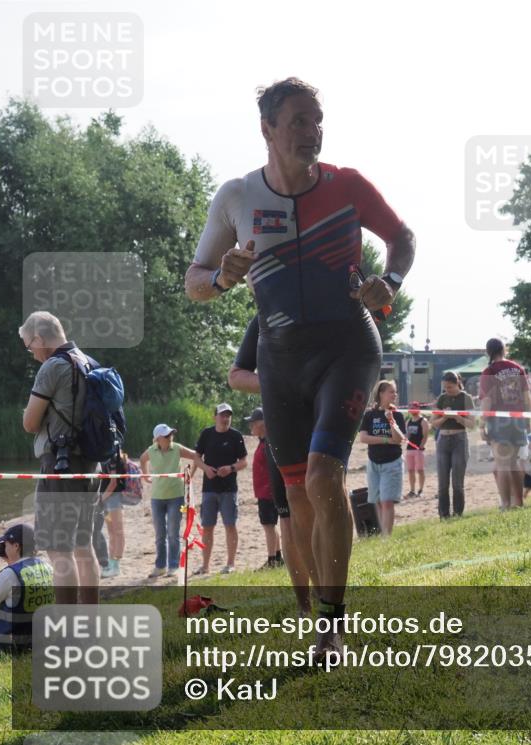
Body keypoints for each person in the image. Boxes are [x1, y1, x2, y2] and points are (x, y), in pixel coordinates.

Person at [186, 78, 414, 652]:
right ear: (267, 129)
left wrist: (390, 280)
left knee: (323, 475)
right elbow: (194, 281)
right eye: (298, 121)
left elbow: (402, 235)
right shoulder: (237, 197)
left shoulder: (348, 186)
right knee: (294, 498)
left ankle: (332, 628)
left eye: (317, 120)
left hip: (348, 346)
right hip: (281, 359)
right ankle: (311, 614)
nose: (311, 131)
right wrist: (221, 278)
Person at [228, 316, 312, 614]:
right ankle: (305, 605)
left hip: (321, 424)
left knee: (325, 507)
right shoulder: (263, 317)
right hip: (284, 428)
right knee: (288, 518)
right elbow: (236, 375)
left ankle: (330, 601)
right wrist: (279, 384)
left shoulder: (327, 301)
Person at [18, 311, 99, 605]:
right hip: (90, 465)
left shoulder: (53, 367)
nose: (31, 353)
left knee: (58, 549)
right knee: (83, 544)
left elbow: (29, 423)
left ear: (39, 339)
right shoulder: (89, 362)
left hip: (60, 465)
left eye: (29, 346)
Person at [479, 338, 531, 511]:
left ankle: (505, 504)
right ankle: (518, 502)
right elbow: (527, 397)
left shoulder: (488, 371)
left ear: (488, 352)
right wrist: (528, 420)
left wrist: (482, 425)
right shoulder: (518, 368)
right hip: (518, 419)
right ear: (504, 350)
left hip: (498, 420)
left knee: (502, 463)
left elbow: (487, 400)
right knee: (513, 463)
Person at [194, 404, 248, 574]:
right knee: (207, 526)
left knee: (230, 525)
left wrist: (231, 468)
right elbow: (196, 457)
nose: (225, 419)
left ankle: (230, 563)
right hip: (209, 488)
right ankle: (205, 565)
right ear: (215, 417)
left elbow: (244, 461)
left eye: (228, 416)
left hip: (229, 489)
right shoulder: (206, 434)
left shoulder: (236, 436)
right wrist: (206, 468)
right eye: (222, 415)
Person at [140, 424, 199, 578]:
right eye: (167, 435)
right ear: (158, 439)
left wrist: (190, 475)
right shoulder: (151, 450)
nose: (170, 437)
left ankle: (173, 566)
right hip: (157, 497)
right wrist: (145, 475)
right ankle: (160, 566)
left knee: (173, 533)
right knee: (160, 534)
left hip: (176, 496)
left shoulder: (177, 448)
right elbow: (142, 459)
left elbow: (196, 456)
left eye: (171, 434)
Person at [0, 524, 53, 654]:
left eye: (6, 544)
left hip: (10, 642)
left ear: (16, 546)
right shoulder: (47, 567)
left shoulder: (10, 574)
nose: (4, 548)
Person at [359, 381, 406, 536]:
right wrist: (385, 440)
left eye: (395, 392)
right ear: (381, 393)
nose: (395, 395)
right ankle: (383, 533)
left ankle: (387, 536)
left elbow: (398, 439)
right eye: (391, 392)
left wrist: (391, 421)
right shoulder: (370, 415)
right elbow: (364, 438)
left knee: (387, 501)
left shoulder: (397, 415)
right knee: (377, 501)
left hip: (392, 462)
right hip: (373, 463)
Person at [431, 372, 475, 517]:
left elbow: (471, 424)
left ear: (457, 383)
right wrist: (444, 417)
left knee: (457, 482)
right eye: (445, 388)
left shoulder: (466, 398)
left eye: (449, 387)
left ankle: (458, 513)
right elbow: (434, 423)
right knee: (442, 483)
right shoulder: (442, 398)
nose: (447, 390)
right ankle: (443, 516)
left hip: (459, 440)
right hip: (443, 441)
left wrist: (457, 416)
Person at [246, 408, 283, 569]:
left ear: (262, 424)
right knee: (271, 525)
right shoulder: (265, 442)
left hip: (268, 492)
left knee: (268, 526)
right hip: (266, 491)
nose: (251, 426)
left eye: (253, 422)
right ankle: (277, 556)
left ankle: (271, 560)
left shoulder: (268, 443)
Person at [98, 450, 131, 578]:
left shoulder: (113, 457)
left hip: (112, 498)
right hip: (106, 498)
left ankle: (116, 565)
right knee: (112, 533)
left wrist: (101, 499)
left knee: (117, 532)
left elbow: (113, 483)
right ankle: (112, 564)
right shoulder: (104, 455)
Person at [403, 403, 429, 498]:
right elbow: (407, 434)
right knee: (410, 470)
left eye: (414, 408)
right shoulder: (408, 421)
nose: (412, 410)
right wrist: (405, 438)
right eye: (410, 408)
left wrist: (421, 446)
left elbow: (425, 435)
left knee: (420, 470)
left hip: (418, 449)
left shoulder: (423, 421)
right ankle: (412, 490)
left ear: (418, 409)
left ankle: (421, 490)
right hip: (409, 449)